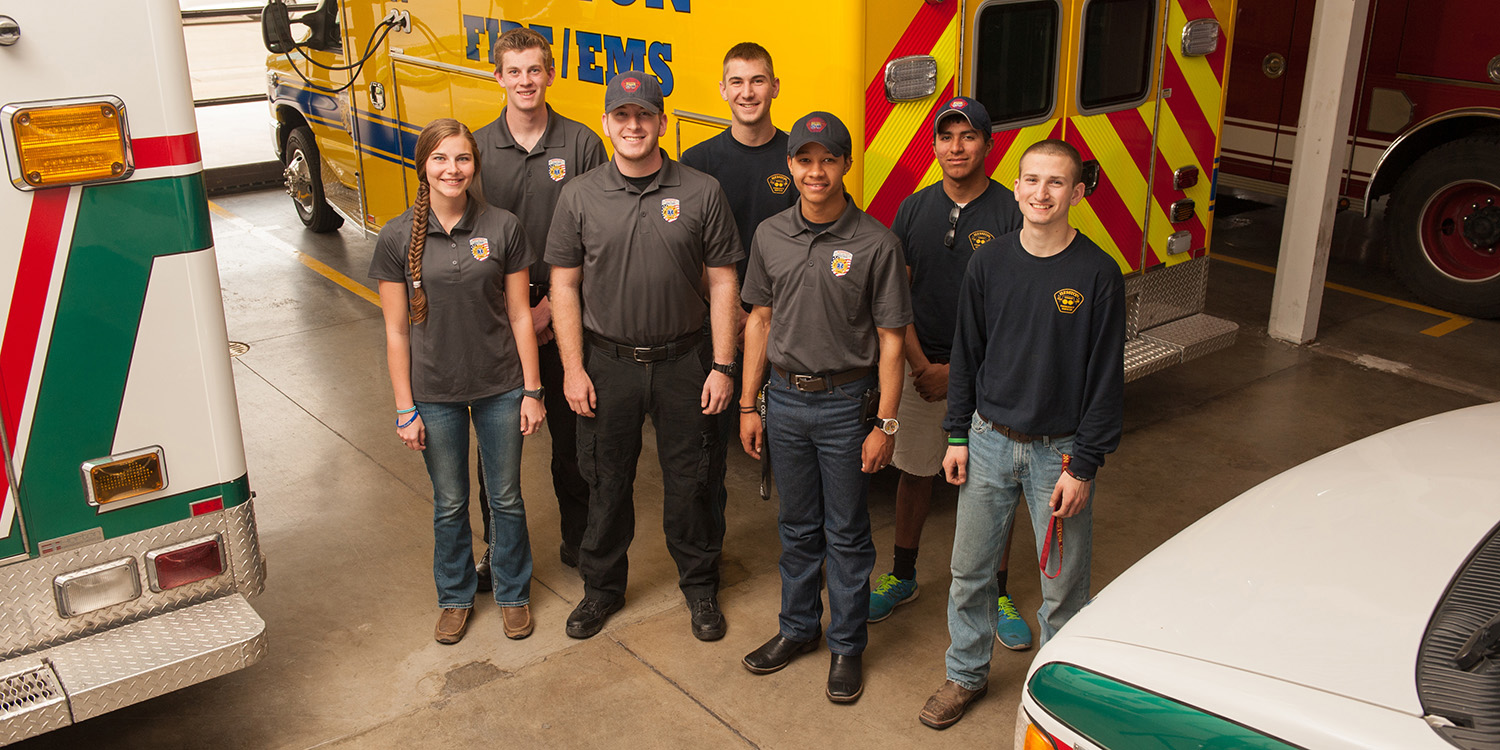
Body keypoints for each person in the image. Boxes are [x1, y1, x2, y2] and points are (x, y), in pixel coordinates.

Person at [918, 139, 1125, 729]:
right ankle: (964, 675)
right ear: (1016, 188)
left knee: (1063, 585)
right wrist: (957, 435)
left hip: (1058, 455)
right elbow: (968, 354)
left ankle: (1052, 691)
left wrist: (1084, 464)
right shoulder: (990, 263)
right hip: (987, 440)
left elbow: (1106, 380)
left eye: (1055, 183)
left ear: (1077, 193)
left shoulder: (1098, 274)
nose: (1041, 193)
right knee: (969, 571)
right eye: (1031, 180)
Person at [545, 71, 743, 642]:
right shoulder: (579, 195)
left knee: (694, 480)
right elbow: (564, 287)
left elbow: (725, 283)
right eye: (622, 116)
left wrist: (724, 365)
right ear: (607, 123)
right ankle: (601, 590)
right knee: (605, 481)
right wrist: (574, 368)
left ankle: (700, 587)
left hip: (687, 361)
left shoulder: (701, 191)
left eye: (645, 116)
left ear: (661, 122)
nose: (634, 126)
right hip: (607, 365)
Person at [738, 112, 912, 704]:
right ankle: (797, 630)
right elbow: (759, 319)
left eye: (828, 160)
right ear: (790, 165)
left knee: (846, 533)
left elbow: (891, 339)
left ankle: (846, 645)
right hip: (783, 400)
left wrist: (885, 423)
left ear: (845, 164)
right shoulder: (769, 235)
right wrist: (748, 403)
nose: (816, 172)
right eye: (805, 160)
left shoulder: (875, 242)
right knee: (796, 528)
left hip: (845, 407)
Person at [369, 118, 546, 645]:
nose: (453, 169)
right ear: (423, 165)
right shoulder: (397, 237)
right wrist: (405, 407)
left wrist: (533, 391)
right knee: (449, 502)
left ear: (475, 165)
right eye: (441, 158)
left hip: (501, 386)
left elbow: (520, 317)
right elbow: (397, 331)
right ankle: (455, 595)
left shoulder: (503, 227)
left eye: (462, 159)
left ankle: (513, 594)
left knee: (506, 497)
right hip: (434, 393)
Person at [869, 97, 1032, 651]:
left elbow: (1016, 312)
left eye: (967, 137)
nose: (955, 148)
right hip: (922, 367)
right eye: (946, 137)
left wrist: (959, 374)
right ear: (934, 146)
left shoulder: (1012, 213)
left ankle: (997, 592)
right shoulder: (914, 210)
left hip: (989, 375)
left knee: (994, 488)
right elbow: (896, 299)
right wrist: (921, 366)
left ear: (989, 144)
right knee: (914, 474)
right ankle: (904, 576)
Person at [471, 27, 608, 587]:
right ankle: (498, 552)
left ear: (550, 74)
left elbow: (604, 234)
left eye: (535, 70)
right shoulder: (475, 150)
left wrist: (553, 304)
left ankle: (581, 543)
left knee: (575, 444)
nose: (525, 81)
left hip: (566, 313)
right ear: (498, 76)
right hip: (499, 321)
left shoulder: (581, 145)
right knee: (495, 449)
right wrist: (512, 314)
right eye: (514, 71)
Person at [680, 42, 797, 517]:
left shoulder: (799, 157)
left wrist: (764, 318)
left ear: (774, 87)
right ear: (722, 90)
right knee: (707, 448)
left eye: (757, 81)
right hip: (718, 320)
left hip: (785, 320)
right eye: (737, 82)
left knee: (792, 447)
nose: (747, 92)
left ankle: (802, 550)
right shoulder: (698, 160)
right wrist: (734, 313)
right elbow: (688, 250)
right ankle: (706, 557)